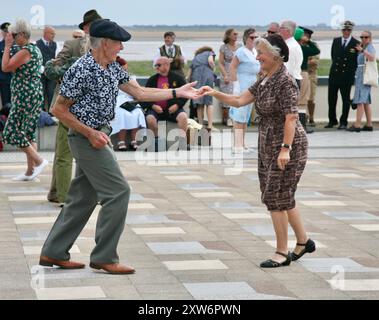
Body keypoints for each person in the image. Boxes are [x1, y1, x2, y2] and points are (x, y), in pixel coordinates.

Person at [39, 19, 201, 274]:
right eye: (118, 44)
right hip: (86, 139)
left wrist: (178, 92)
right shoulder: (82, 69)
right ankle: (105, 256)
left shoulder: (112, 67)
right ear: (105, 43)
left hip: (98, 135)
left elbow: (141, 94)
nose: (121, 49)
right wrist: (90, 133)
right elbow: (58, 109)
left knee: (83, 198)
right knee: (119, 192)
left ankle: (53, 252)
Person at [200, 34, 315, 268]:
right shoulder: (265, 77)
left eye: (260, 52)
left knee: (276, 197)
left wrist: (285, 149)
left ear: (275, 55)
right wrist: (213, 94)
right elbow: (240, 100)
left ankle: (282, 252)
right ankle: (303, 242)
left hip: (287, 146)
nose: (257, 56)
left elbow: (291, 117)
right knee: (281, 195)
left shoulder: (284, 81)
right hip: (267, 144)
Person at [47, 9, 102, 205]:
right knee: (64, 153)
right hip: (67, 106)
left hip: (92, 110)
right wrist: (66, 73)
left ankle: (59, 192)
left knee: (90, 154)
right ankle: (63, 197)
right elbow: (52, 69)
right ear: (86, 28)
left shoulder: (105, 48)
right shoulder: (72, 44)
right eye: (93, 25)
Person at [1, 19, 48, 181]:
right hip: (33, 94)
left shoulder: (26, 51)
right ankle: (30, 172)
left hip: (25, 95)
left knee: (11, 132)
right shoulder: (33, 48)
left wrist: (7, 47)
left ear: (21, 35)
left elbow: (6, 67)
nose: (12, 38)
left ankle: (39, 161)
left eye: (14, 35)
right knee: (28, 133)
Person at [143, 56, 189, 151]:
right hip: (156, 110)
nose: (156, 67)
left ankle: (182, 142)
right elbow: (144, 96)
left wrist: (177, 105)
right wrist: (153, 106)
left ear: (166, 65)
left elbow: (186, 94)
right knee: (150, 118)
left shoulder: (178, 78)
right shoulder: (152, 80)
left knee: (183, 117)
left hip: (173, 109)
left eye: (158, 65)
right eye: (156, 65)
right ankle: (157, 142)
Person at [229, 28, 260, 151]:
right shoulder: (241, 51)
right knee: (239, 116)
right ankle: (237, 145)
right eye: (252, 37)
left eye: (256, 37)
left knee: (246, 117)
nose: (254, 40)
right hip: (242, 84)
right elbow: (232, 67)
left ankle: (243, 144)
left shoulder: (255, 52)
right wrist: (236, 85)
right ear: (246, 38)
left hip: (252, 85)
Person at [326, 20, 359, 130]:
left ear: (351, 30)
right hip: (334, 75)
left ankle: (343, 122)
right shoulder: (336, 41)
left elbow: (356, 61)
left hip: (346, 77)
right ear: (341, 30)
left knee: (345, 100)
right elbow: (333, 56)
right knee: (331, 99)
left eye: (348, 30)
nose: (346, 32)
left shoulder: (356, 43)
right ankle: (332, 120)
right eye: (344, 29)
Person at [348, 31, 376, 132]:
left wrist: (362, 50)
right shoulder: (363, 47)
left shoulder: (369, 47)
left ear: (370, 38)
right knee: (365, 101)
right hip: (361, 75)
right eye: (362, 37)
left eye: (366, 37)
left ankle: (357, 124)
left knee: (360, 99)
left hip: (364, 76)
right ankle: (369, 124)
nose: (363, 39)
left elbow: (372, 58)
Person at [296, 27, 320, 134]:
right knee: (302, 101)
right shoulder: (303, 48)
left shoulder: (290, 47)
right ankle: (301, 125)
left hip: (291, 75)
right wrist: (308, 41)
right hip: (303, 74)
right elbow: (316, 50)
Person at [188, 46, 216, 130]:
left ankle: (200, 125)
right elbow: (210, 61)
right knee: (209, 102)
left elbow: (189, 72)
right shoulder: (210, 52)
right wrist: (213, 69)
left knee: (199, 102)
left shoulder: (196, 57)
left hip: (196, 77)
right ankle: (210, 125)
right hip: (207, 76)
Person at [219, 28, 242, 126]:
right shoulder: (223, 47)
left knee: (237, 94)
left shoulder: (240, 46)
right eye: (234, 34)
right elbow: (220, 63)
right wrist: (225, 75)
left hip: (238, 73)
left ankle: (236, 118)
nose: (236, 36)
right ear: (228, 35)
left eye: (237, 34)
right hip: (227, 72)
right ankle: (226, 118)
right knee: (227, 96)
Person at [36, 26, 58, 111]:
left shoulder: (55, 44)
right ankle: (40, 112)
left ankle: (51, 112)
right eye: (52, 34)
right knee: (41, 92)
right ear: (46, 33)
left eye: (54, 34)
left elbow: (57, 58)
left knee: (51, 92)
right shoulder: (36, 43)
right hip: (40, 73)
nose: (54, 35)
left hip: (51, 73)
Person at [279, 21, 303, 88]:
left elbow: (287, 69)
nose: (279, 30)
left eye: (281, 28)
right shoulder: (290, 44)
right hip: (290, 81)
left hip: (288, 82)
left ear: (288, 30)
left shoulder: (290, 47)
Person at [0, 22, 12, 111]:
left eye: (9, 32)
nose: (7, 33)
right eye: (5, 32)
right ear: (2, 32)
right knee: (6, 103)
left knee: (15, 102)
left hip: (15, 78)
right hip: (3, 78)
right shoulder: (0, 45)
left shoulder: (16, 45)